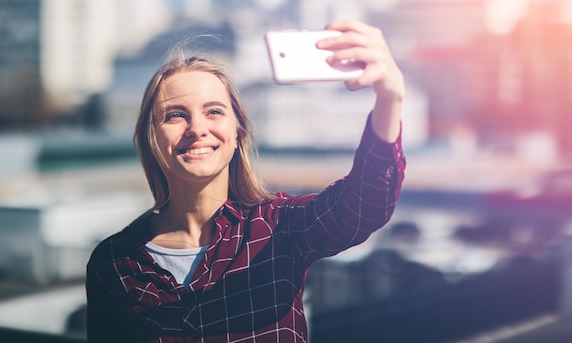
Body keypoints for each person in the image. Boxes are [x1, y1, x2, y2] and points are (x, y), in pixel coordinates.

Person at [86, 19, 407, 343]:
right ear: (150, 136)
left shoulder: (280, 229)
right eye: (175, 115)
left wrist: (389, 98)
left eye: (213, 111)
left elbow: (364, 205)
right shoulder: (113, 262)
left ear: (238, 133)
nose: (197, 128)